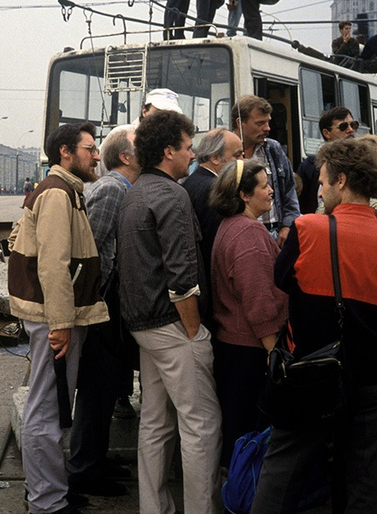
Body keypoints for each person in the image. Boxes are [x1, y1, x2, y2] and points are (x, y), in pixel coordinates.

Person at [252, 138, 377, 514]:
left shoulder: (307, 229)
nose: (319, 189)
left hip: (310, 370)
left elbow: (283, 281)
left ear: (342, 181)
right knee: (363, 473)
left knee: (282, 469)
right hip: (373, 372)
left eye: (323, 182)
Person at [118, 109, 221, 514]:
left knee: (156, 424)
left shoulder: (135, 191)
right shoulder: (171, 196)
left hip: (144, 325)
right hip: (174, 327)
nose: (192, 153)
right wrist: (195, 332)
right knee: (201, 425)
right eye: (188, 146)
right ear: (168, 151)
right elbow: (182, 276)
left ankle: (154, 508)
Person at [8, 122, 109, 514]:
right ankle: (47, 503)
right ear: (65, 152)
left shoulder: (66, 190)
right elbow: (53, 265)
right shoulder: (56, 194)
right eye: (89, 148)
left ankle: (50, 490)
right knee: (45, 412)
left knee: (50, 409)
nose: (96, 155)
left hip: (56, 316)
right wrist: (61, 323)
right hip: (54, 319)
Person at [67, 125, 140, 498]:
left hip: (104, 304)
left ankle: (94, 458)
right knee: (97, 389)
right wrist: (101, 304)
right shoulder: (112, 189)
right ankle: (84, 468)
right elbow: (94, 252)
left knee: (104, 387)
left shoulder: (118, 187)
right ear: (125, 157)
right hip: (100, 306)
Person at [208, 158, 286, 467]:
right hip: (250, 350)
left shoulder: (231, 227)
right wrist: (273, 350)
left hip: (235, 346)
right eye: (265, 186)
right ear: (243, 194)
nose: (271, 192)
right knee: (248, 441)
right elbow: (258, 301)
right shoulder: (249, 234)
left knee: (238, 435)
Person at [231, 95, 300, 246]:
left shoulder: (273, 149)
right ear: (240, 123)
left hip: (274, 232)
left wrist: (288, 225)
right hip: (241, 233)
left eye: (268, 122)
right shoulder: (225, 151)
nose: (267, 128)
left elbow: (289, 190)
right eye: (260, 123)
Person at [182, 128, 244, 279]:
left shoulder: (191, 182)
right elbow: (215, 242)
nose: (243, 161)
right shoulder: (214, 189)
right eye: (237, 155)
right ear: (215, 158)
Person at [296, 107, 357, 215]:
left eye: (353, 125)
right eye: (343, 127)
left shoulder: (361, 162)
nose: (350, 130)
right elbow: (300, 203)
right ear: (326, 133)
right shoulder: (309, 167)